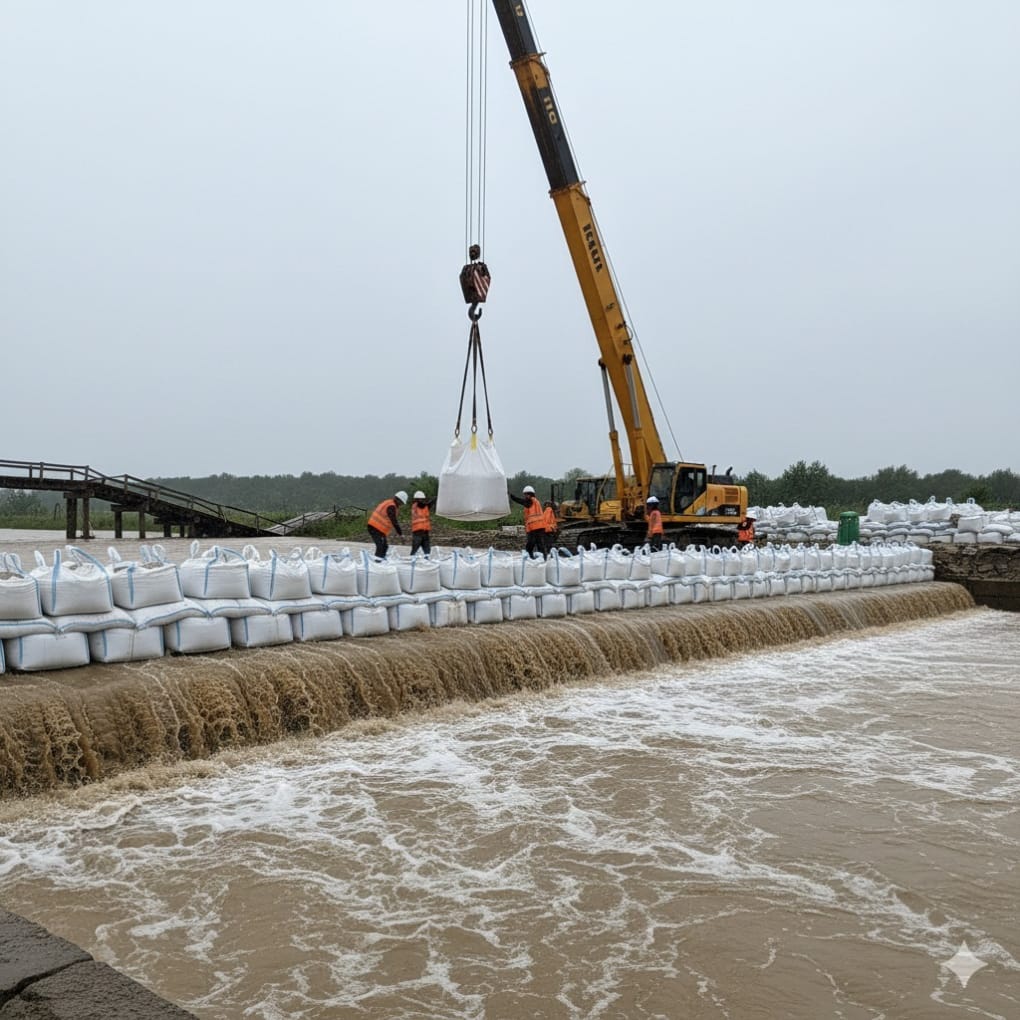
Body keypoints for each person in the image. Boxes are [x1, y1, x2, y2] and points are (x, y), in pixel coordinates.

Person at [508, 484, 546, 558]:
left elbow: (520, 501)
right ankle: (543, 558)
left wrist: (512, 496)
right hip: (540, 527)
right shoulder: (535, 502)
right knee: (540, 544)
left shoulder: (530, 501)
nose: (525, 496)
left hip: (534, 527)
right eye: (525, 495)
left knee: (530, 545)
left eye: (526, 494)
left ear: (531, 494)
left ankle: (531, 560)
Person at [367, 490, 407, 559]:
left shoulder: (389, 503)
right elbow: (394, 521)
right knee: (381, 546)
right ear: (398, 500)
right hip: (375, 527)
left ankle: (381, 560)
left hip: (377, 528)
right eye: (401, 503)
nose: (401, 505)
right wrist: (400, 534)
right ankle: (377, 563)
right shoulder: (391, 506)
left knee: (384, 546)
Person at [410, 490, 434, 557]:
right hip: (418, 532)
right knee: (414, 550)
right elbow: (424, 505)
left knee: (427, 551)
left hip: (425, 532)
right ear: (416, 499)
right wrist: (433, 500)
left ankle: (426, 561)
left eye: (422, 499)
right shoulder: (416, 505)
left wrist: (434, 499)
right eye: (420, 499)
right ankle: (412, 562)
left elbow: (428, 505)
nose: (422, 500)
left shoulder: (424, 506)